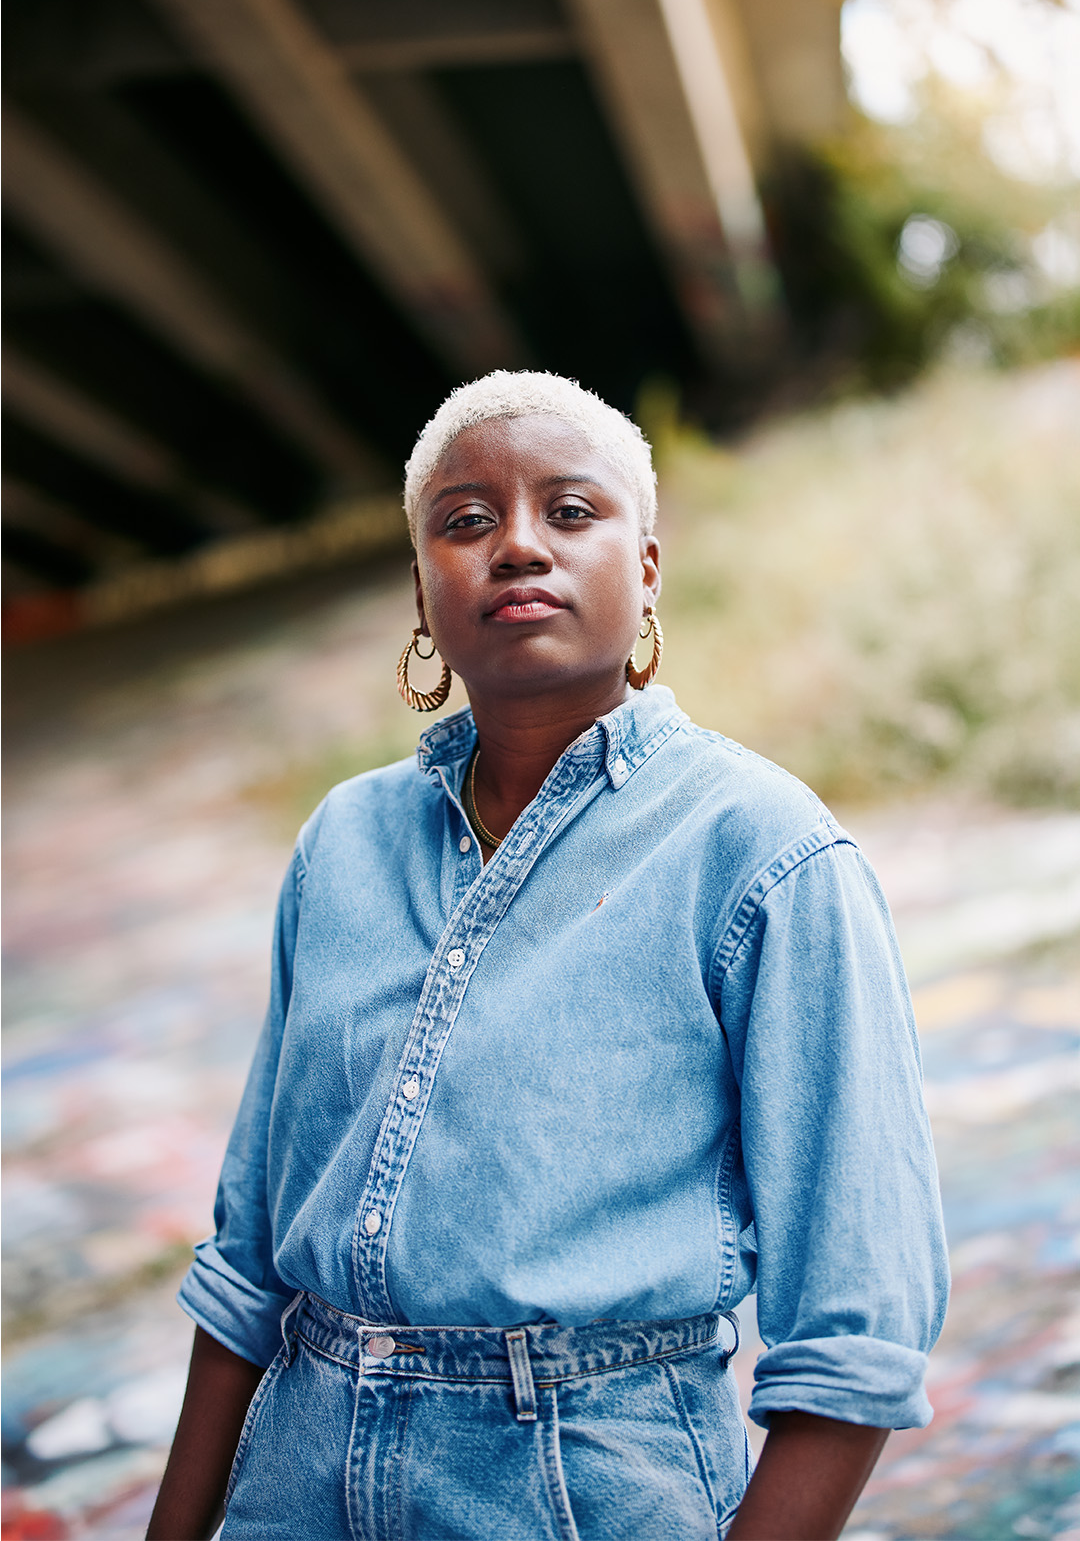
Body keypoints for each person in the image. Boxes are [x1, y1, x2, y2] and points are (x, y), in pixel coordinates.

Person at [148, 371, 948, 1541]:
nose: (517, 545)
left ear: (649, 569)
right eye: (465, 521)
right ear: (424, 590)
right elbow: (250, 1257)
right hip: (299, 1476)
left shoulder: (763, 853)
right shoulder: (344, 844)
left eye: (572, 512)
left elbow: (858, 1325)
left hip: (583, 1484)